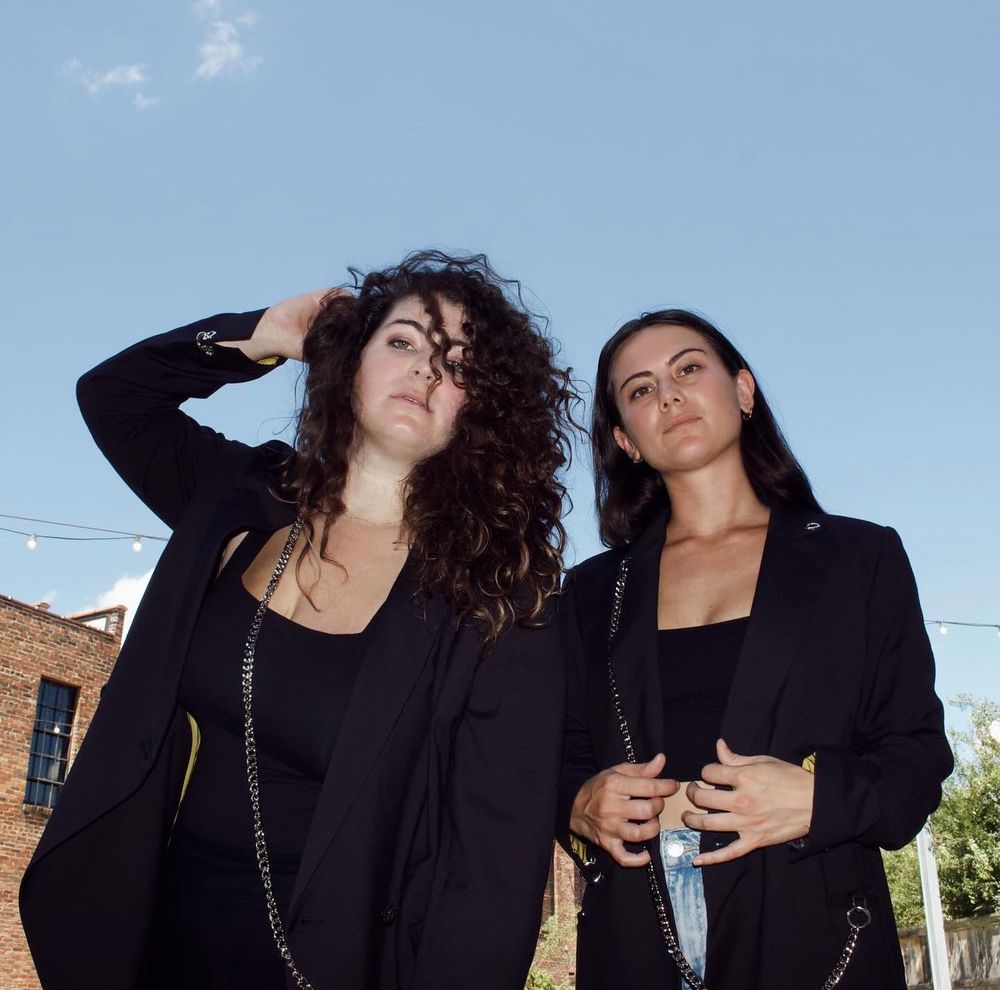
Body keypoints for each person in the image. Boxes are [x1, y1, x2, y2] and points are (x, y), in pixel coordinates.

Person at [21, 250, 576, 990]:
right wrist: (262, 333)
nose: (425, 368)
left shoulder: (497, 592)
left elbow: (494, 865)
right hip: (149, 943)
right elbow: (114, 397)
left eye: (458, 364)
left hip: (339, 965)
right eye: (403, 340)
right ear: (351, 363)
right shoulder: (243, 495)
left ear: (481, 409)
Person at [557, 308, 953, 990]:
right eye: (640, 389)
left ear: (743, 391)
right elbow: (557, 754)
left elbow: (916, 759)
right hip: (636, 932)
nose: (669, 395)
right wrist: (577, 801)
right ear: (626, 439)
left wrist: (818, 797)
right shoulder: (591, 591)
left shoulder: (859, 558)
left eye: (688, 368)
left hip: (811, 927)